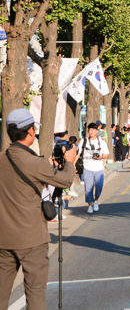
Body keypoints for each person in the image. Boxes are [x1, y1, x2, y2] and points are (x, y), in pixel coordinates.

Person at [0, 108, 78, 310]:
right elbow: (66, 180)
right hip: (32, 239)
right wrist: (69, 162)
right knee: (35, 298)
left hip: (3, 240)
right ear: (31, 132)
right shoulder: (35, 162)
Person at [78, 123, 110, 214]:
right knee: (88, 188)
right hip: (87, 168)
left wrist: (101, 157)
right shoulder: (83, 141)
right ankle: (90, 205)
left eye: (93, 130)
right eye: (90, 130)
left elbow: (107, 154)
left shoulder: (102, 142)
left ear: (97, 131)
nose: (91, 132)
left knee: (99, 185)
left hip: (98, 168)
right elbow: (78, 154)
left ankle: (96, 200)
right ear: (88, 131)